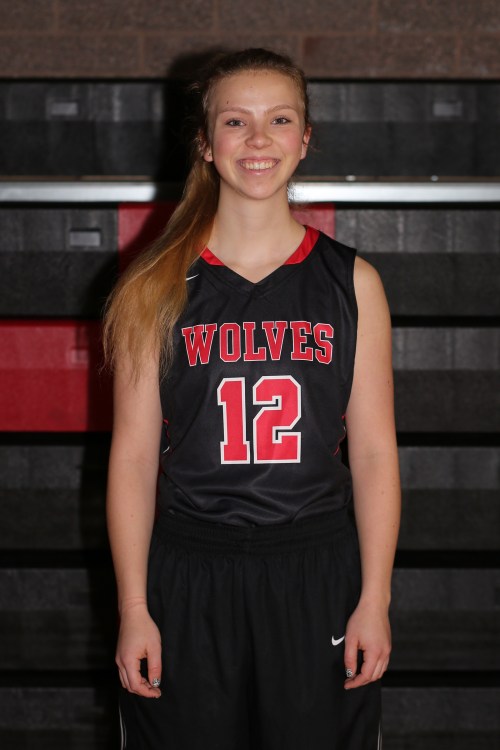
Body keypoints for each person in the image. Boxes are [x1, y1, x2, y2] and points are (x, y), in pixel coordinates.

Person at [104, 47, 401, 750]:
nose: (259, 139)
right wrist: (135, 606)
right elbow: (134, 457)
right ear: (206, 144)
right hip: (189, 570)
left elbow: (373, 454)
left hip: (315, 570)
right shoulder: (155, 284)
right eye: (236, 121)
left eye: (280, 120)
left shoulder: (353, 283)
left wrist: (375, 598)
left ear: (306, 138)